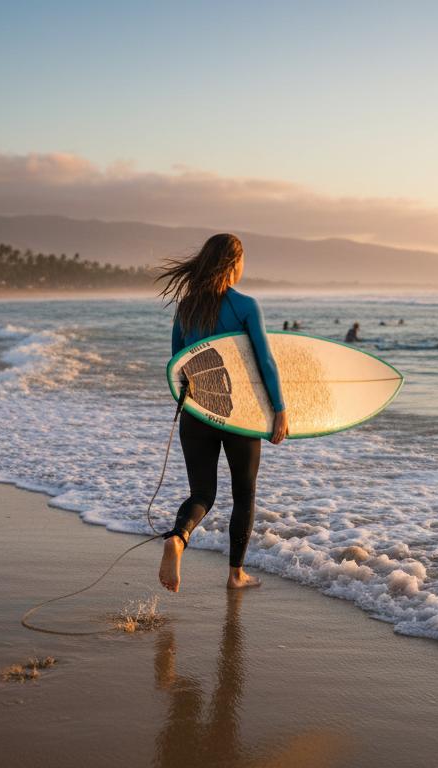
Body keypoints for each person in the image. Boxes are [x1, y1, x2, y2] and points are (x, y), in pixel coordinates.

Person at [157, 234, 287, 592]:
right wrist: (279, 408)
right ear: (234, 264)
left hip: (196, 413)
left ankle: (179, 537)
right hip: (239, 415)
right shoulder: (245, 305)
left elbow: (176, 365)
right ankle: (235, 575)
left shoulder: (187, 308)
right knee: (244, 494)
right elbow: (265, 361)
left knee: (202, 493)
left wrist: (189, 408)